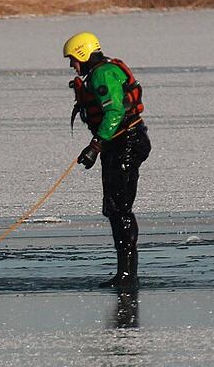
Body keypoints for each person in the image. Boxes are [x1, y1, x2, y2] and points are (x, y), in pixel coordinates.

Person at [63, 32, 151, 288]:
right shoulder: (102, 72)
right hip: (120, 142)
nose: (72, 66)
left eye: (72, 59)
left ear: (82, 54)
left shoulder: (102, 74)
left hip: (126, 142)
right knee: (114, 208)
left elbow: (114, 111)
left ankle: (127, 276)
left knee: (120, 209)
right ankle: (125, 273)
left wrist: (96, 144)